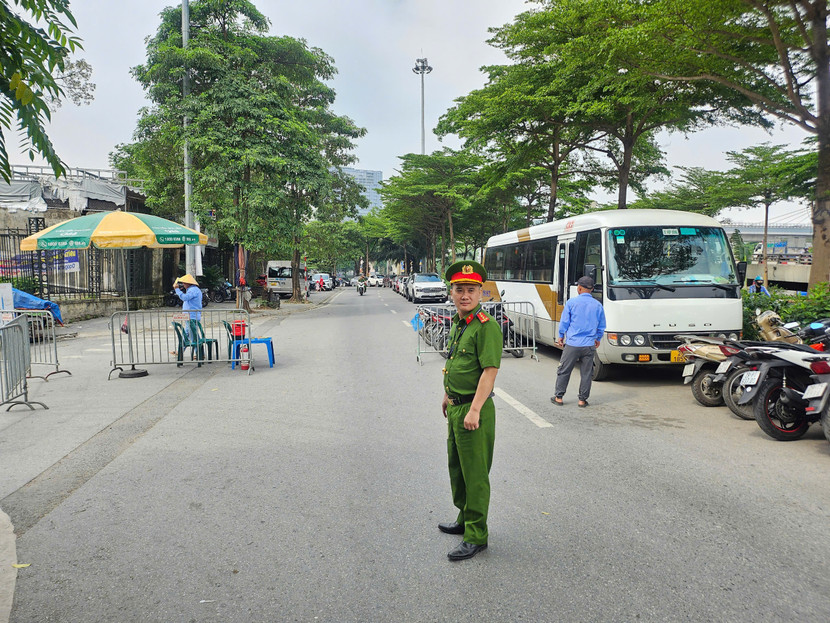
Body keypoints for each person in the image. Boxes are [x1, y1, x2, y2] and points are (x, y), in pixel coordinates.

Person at [439, 260, 502, 561]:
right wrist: (446, 395)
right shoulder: (459, 323)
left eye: (471, 290)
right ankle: (464, 519)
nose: (465, 295)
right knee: (458, 469)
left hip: (472, 412)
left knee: (475, 474)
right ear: (451, 292)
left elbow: (489, 373)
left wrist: (474, 409)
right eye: (459, 289)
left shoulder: (485, 328)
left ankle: (477, 535)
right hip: (455, 407)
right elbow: (455, 364)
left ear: (481, 293)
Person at [551, 275, 606, 408]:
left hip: (573, 344)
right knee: (587, 373)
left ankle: (559, 397)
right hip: (589, 345)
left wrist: (560, 336)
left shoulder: (571, 303)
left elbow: (565, 322)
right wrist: (597, 339)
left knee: (564, 370)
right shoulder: (598, 305)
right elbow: (601, 325)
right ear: (592, 289)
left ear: (579, 288)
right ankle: (582, 400)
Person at [173, 274, 202, 338]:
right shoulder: (194, 290)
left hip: (192, 316)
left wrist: (177, 290)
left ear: (188, 283)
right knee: (187, 334)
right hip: (190, 316)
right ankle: (182, 347)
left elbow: (185, 297)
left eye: (184, 283)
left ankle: (196, 347)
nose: (183, 285)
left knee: (192, 335)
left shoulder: (193, 290)